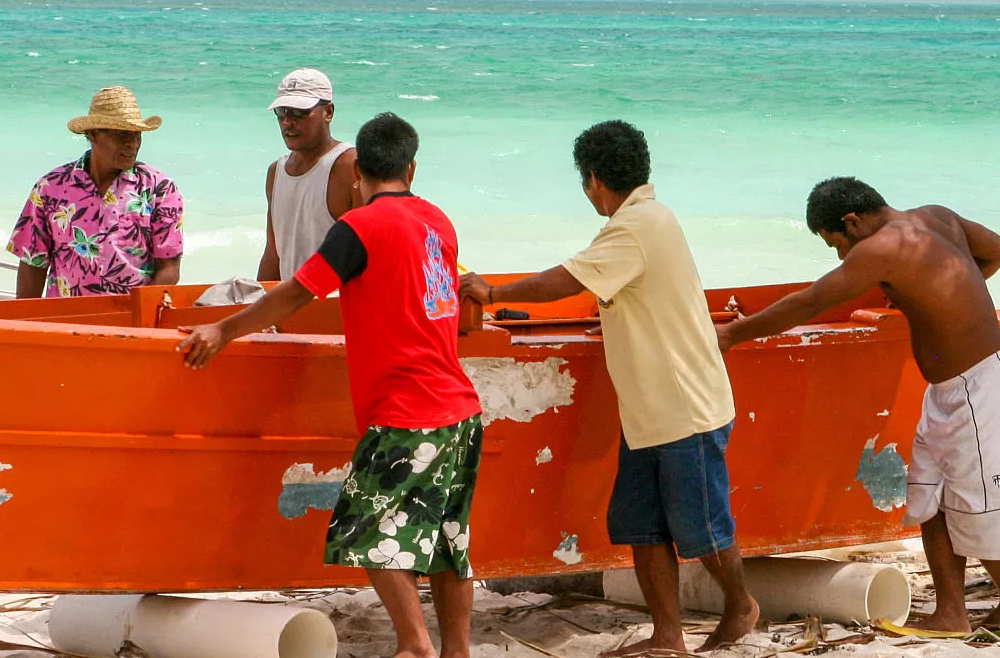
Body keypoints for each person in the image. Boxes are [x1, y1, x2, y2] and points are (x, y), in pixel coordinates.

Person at [178, 113, 480, 658]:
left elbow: (298, 292)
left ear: (358, 168)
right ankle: (456, 650)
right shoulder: (439, 221)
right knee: (446, 543)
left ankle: (415, 645)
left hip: (407, 409)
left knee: (366, 528)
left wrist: (223, 328)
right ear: (412, 166)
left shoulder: (360, 227)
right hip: (460, 408)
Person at [457, 120, 759, 655]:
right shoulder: (644, 222)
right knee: (642, 526)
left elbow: (570, 279)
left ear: (593, 179)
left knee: (703, 528)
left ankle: (741, 604)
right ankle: (668, 637)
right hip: (648, 409)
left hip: (685, 406)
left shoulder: (637, 226)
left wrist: (493, 292)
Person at [716, 178, 1000, 633]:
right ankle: (951, 613)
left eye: (836, 244)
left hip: (988, 383)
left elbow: (810, 301)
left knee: (983, 506)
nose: (840, 257)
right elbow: (998, 250)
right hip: (949, 389)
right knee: (931, 498)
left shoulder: (880, 249)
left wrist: (732, 334)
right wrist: (933, 294)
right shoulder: (936, 216)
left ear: (852, 221)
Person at [8, 86, 183, 298]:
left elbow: (169, 269)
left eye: (137, 135)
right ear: (93, 134)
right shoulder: (50, 188)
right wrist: (28, 324)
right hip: (66, 320)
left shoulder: (159, 189)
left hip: (132, 320)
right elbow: (32, 263)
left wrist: (136, 316)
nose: (132, 145)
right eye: (121, 135)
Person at [259, 68, 359, 282]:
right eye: (281, 112)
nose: (287, 121)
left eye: (298, 112)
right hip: (291, 311)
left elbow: (371, 252)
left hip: (336, 310)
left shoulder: (350, 166)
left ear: (328, 112)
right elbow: (274, 254)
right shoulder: (275, 172)